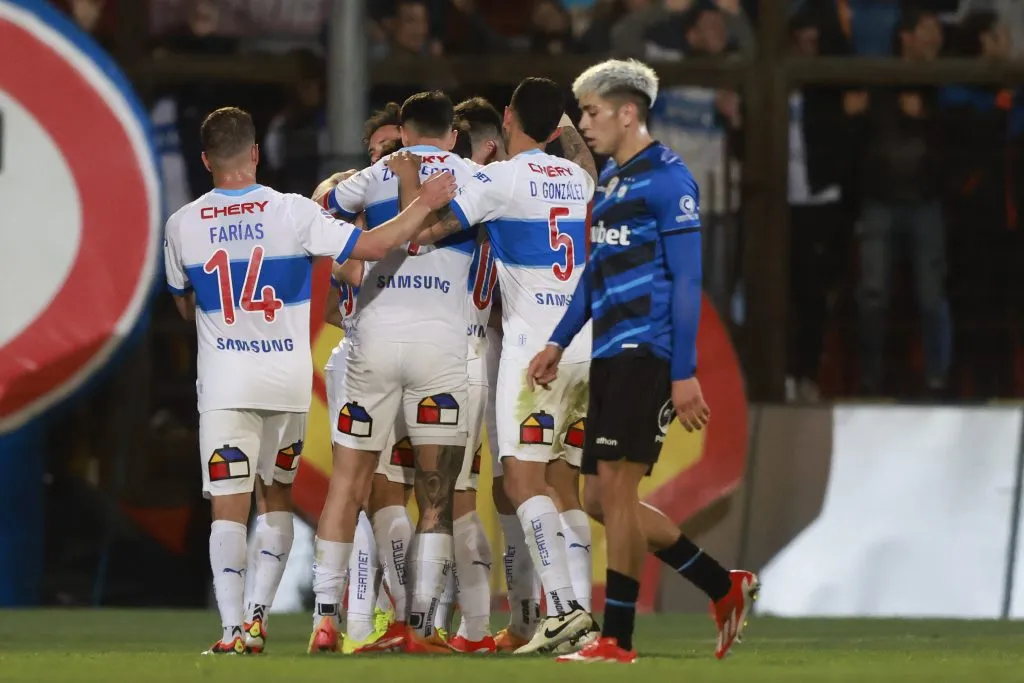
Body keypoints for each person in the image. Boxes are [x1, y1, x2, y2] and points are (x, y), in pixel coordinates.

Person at [162, 106, 457, 655]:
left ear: (205, 160)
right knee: (276, 499)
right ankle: (257, 619)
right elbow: (371, 247)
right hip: (284, 381)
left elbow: (184, 305)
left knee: (227, 507)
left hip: (224, 384)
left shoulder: (181, 223)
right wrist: (425, 203)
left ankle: (231, 633)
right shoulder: (292, 212)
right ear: (254, 153)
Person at [527, 59, 759, 664]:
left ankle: (616, 639)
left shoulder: (669, 180)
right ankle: (720, 584)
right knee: (603, 501)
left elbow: (688, 282)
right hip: (608, 353)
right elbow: (593, 273)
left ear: (629, 113)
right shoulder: (609, 180)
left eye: (592, 112)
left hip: (645, 352)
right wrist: (557, 340)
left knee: (617, 494)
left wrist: (683, 371)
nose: (584, 123)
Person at [398, 77, 600, 655]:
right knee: (565, 483)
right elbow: (583, 159)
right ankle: (580, 617)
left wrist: (415, 214)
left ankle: (563, 610)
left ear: (508, 116)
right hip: (584, 346)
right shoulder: (581, 180)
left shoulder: (502, 179)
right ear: (560, 127)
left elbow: (439, 223)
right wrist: (568, 134)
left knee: (521, 478)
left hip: (535, 350)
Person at [312, 91, 479, 654]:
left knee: (348, 484)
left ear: (404, 131)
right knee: (435, 494)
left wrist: (364, 188)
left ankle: (323, 619)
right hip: (441, 350)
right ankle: (421, 628)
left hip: (373, 345)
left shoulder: (377, 170)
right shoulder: (475, 175)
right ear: (453, 136)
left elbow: (325, 205)